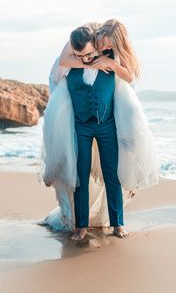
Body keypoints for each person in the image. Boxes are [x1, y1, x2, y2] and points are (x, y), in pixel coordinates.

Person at [38, 19, 160, 240]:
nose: (86, 58)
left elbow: (129, 77)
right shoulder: (70, 58)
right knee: (80, 175)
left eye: (89, 54)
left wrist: (109, 63)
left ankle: (118, 223)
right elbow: (56, 78)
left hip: (107, 125)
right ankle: (80, 225)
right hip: (81, 125)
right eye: (81, 56)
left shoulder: (111, 55)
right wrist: (86, 63)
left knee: (111, 175)